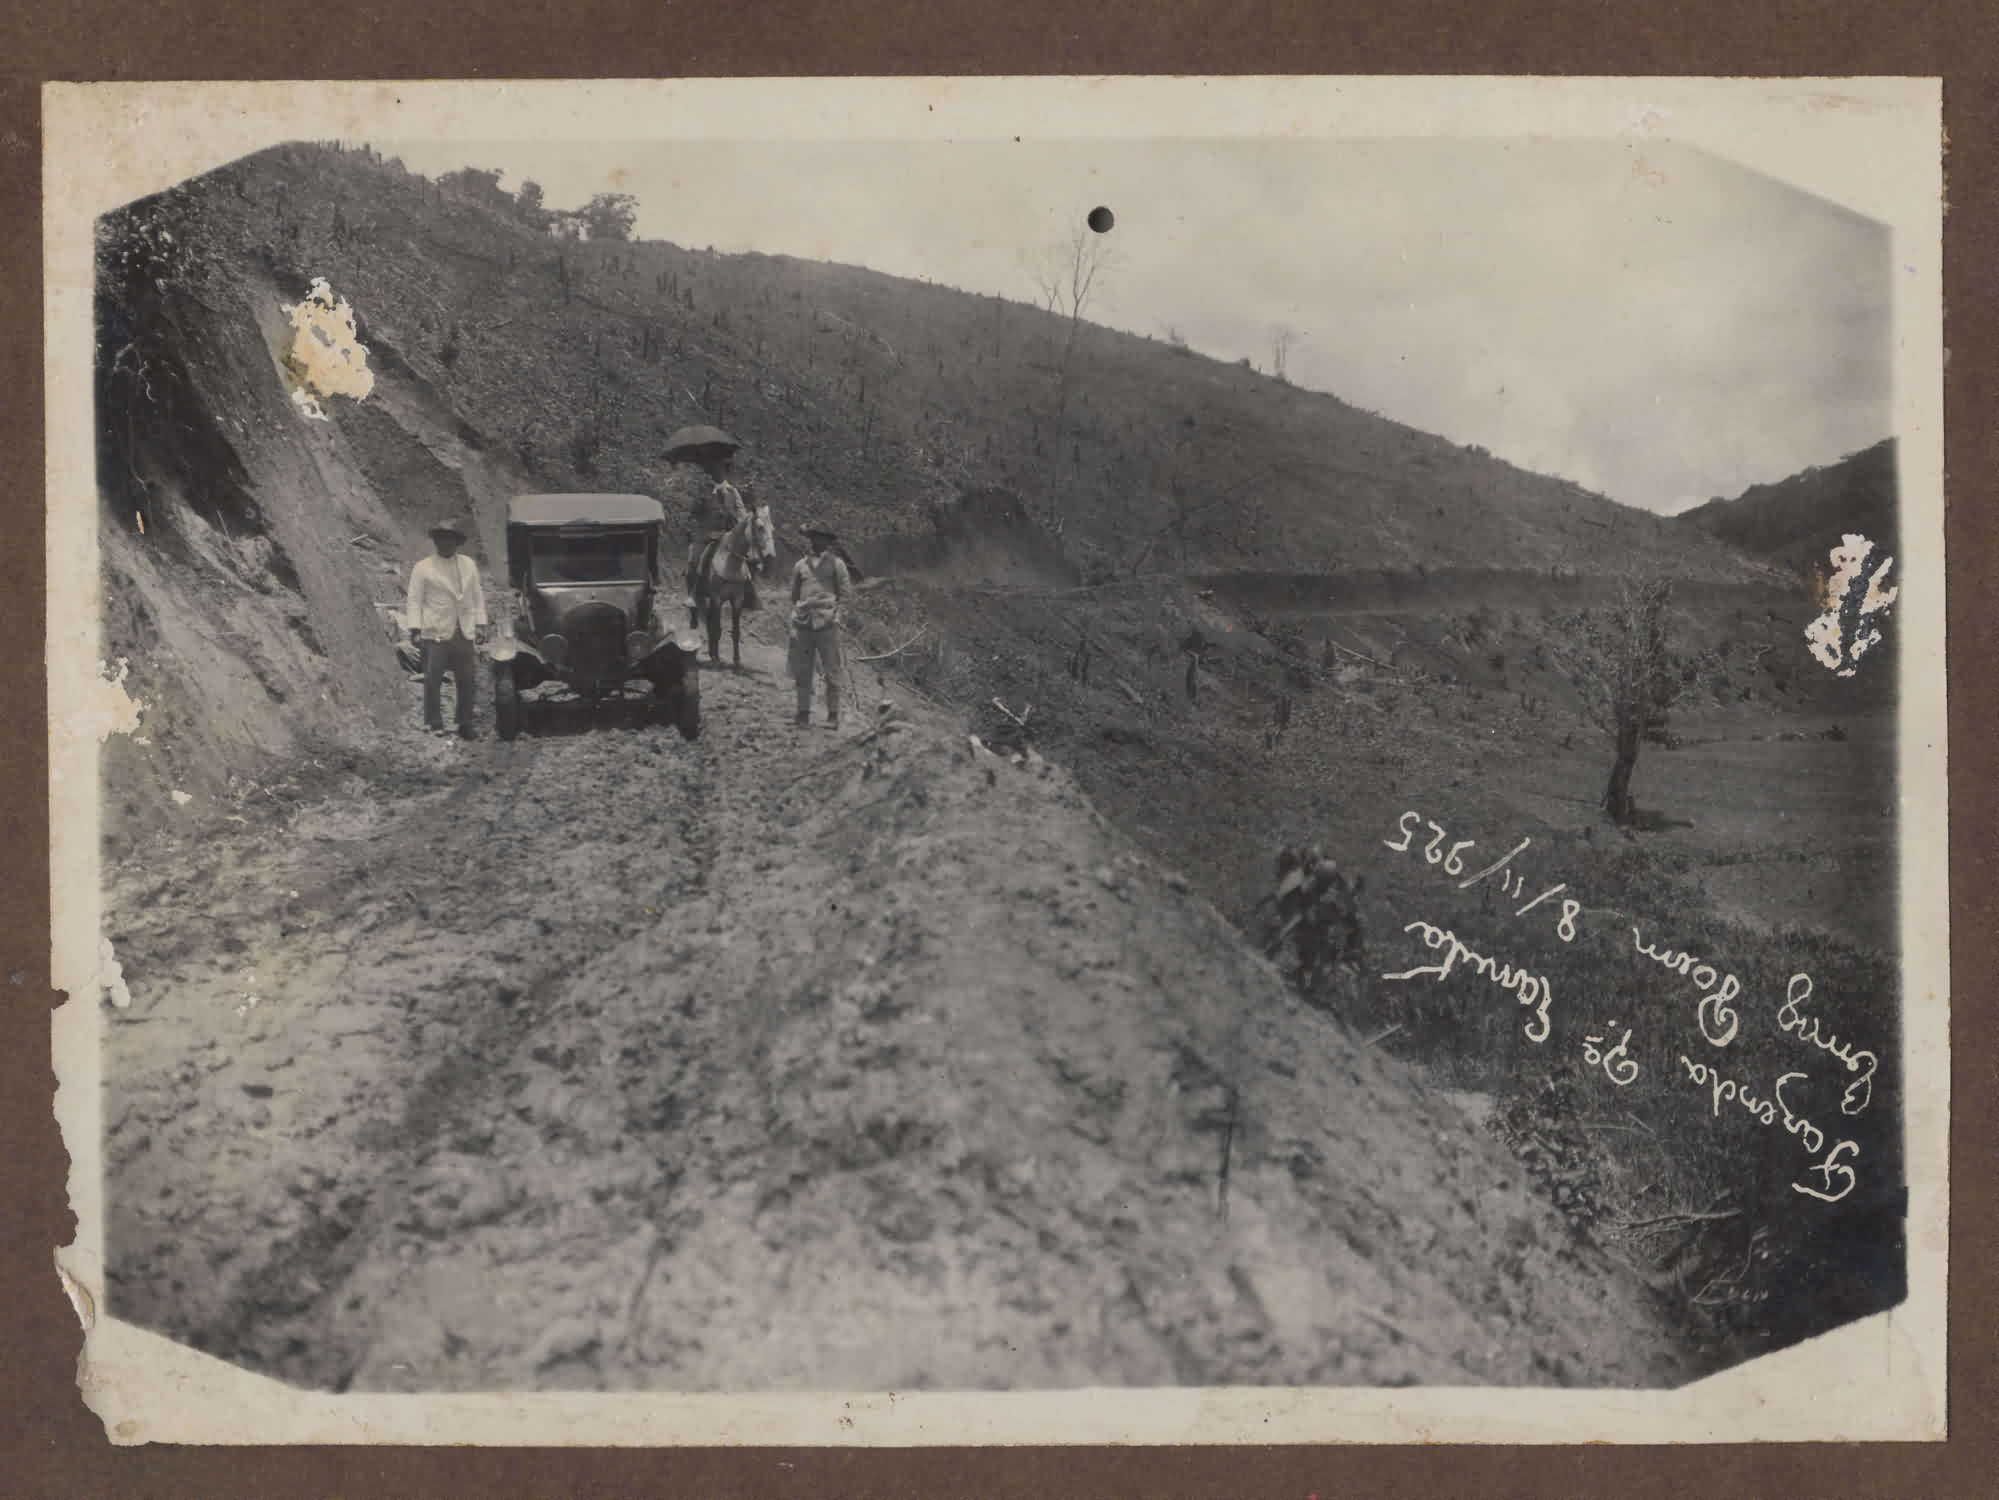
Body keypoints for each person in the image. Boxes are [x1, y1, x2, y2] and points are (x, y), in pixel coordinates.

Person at [406, 516, 488, 738]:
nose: (446, 543)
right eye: (442, 539)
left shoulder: (468, 565)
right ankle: (434, 722)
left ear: (457, 542)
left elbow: (477, 596)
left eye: (450, 539)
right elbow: (414, 600)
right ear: (436, 541)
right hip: (436, 630)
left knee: (467, 679)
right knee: (433, 679)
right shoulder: (423, 567)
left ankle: (465, 722)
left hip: (464, 629)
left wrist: (480, 623)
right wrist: (415, 629)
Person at [789, 522, 852, 729]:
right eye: (814, 537)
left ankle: (833, 715)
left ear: (828, 541)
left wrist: (838, 616)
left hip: (827, 622)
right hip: (804, 622)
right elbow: (794, 595)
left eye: (822, 537)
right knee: (803, 669)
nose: (817, 541)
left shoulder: (837, 564)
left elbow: (845, 595)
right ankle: (803, 713)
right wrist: (798, 611)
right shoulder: (800, 565)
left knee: (832, 670)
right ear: (810, 539)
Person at [682, 452, 749, 628]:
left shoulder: (732, 491)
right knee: (693, 560)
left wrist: (733, 513)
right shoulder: (704, 490)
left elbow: (742, 514)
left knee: (745, 559)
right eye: (714, 469)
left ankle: (748, 593)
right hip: (706, 535)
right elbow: (693, 513)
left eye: (720, 468)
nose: (716, 472)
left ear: (725, 470)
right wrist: (698, 509)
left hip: (726, 536)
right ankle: (692, 596)